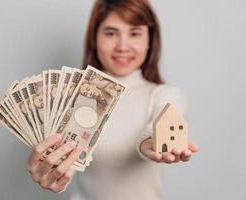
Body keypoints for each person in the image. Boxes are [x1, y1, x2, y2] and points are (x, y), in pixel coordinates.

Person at [25, 0, 199, 199]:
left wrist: (151, 142)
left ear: (150, 40)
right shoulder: (67, 98)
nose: (122, 46)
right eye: (110, 33)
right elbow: (59, 168)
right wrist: (49, 174)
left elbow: (162, 120)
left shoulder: (165, 95)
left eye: (134, 33)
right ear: (94, 39)